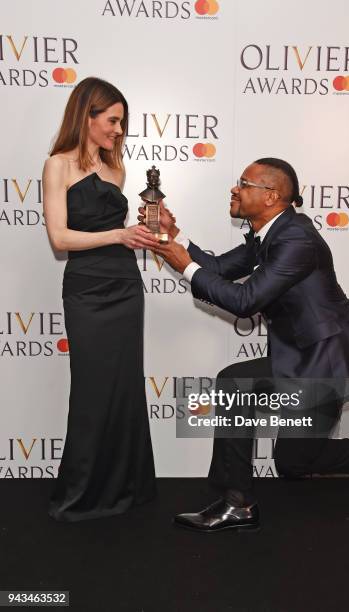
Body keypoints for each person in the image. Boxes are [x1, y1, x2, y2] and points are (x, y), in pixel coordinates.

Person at [138, 157, 349, 533]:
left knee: (233, 384)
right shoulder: (270, 233)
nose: (234, 189)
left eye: (244, 183)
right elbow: (218, 269)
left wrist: (184, 263)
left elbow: (244, 301)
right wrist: (177, 238)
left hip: (328, 362)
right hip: (304, 358)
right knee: (293, 463)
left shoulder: (295, 239)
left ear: (271, 196)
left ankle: (238, 504)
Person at [43, 77, 155, 521]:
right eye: (112, 120)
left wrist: (146, 230)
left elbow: (123, 234)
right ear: (86, 115)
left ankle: (124, 488)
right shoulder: (59, 165)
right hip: (87, 288)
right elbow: (59, 237)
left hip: (125, 286)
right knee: (92, 389)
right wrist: (118, 234)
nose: (118, 130)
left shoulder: (118, 169)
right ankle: (82, 493)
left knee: (125, 387)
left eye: (122, 122)